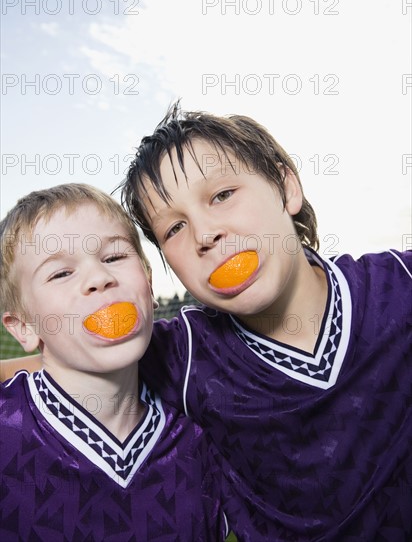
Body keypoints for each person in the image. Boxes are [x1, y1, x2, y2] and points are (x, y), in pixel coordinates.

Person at [119, 103, 412, 541]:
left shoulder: (400, 284)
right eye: (174, 228)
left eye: (221, 195)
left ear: (285, 187)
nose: (205, 234)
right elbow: (66, 372)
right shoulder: (185, 354)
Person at [0, 183, 232, 541]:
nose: (99, 278)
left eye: (114, 257)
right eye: (61, 273)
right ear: (25, 328)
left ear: (148, 284)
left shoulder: (200, 439)